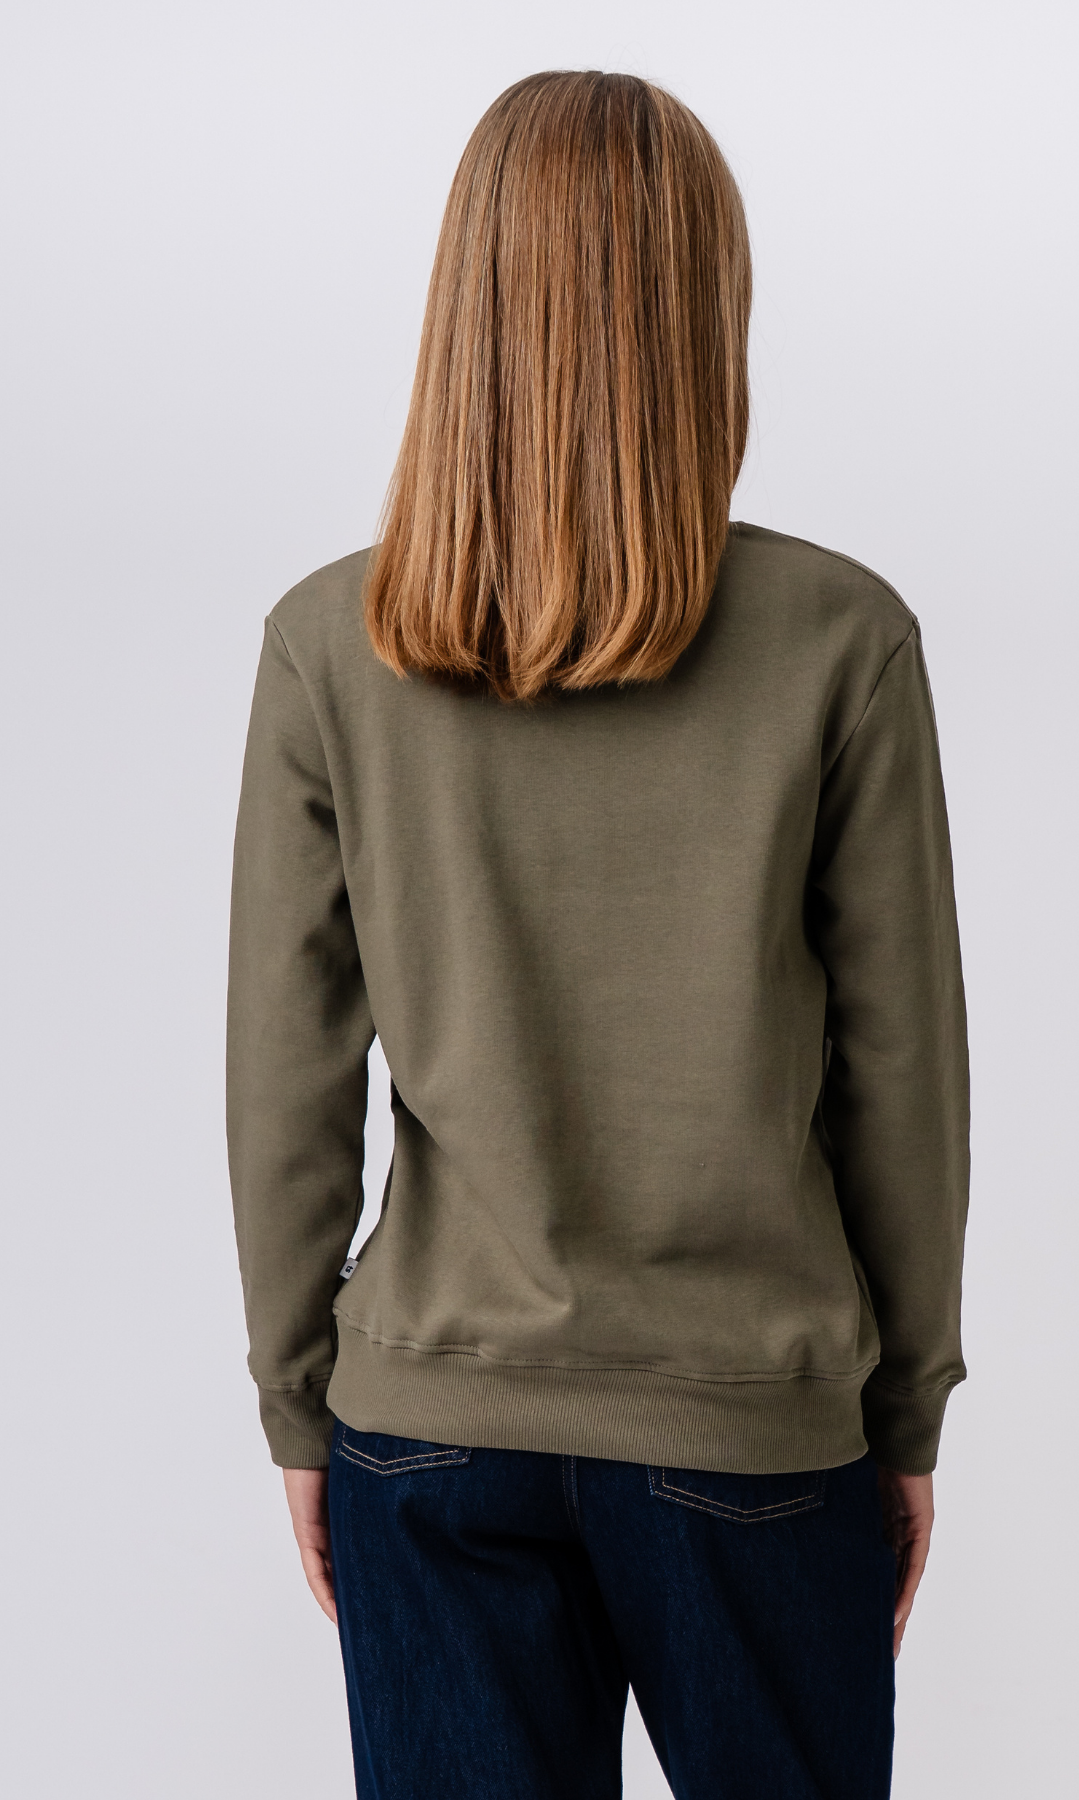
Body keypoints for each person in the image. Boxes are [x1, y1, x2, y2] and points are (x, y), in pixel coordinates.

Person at [227, 69, 969, 1800]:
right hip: (753, 1425)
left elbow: (285, 1078)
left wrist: (299, 1400)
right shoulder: (841, 638)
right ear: (711, 308)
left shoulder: (329, 645)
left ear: (466, 310)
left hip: (430, 1428)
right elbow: (904, 1078)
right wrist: (904, 1414)